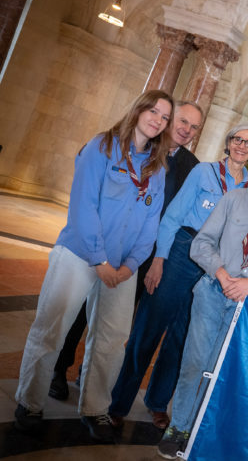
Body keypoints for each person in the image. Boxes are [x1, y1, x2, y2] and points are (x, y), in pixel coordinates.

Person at [14, 90, 172, 441]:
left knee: (112, 340)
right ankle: (30, 402)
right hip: (79, 254)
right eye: (153, 111)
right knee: (51, 328)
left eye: (164, 117)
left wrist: (130, 266)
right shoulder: (102, 146)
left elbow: (151, 224)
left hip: (123, 268)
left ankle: (95, 408)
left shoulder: (157, 168)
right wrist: (100, 260)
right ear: (138, 110)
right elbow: (83, 207)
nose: (158, 120)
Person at [49, 101, 204, 402]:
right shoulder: (137, 147)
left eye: (194, 126)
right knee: (79, 311)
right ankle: (58, 368)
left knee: (114, 322)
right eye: (182, 121)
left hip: (143, 254)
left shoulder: (192, 167)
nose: (187, 130)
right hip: (103, 242)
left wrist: (157, 258)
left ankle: (88, 378)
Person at [109, 123, 248, 430]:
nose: (242, 145)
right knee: (148, 330)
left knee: (183, 338)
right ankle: (119, 402)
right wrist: (159, 259)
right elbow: (173, 216)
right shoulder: (204, 172)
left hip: (213, 265)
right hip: (182, 252)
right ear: (228, 142)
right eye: (238, 139)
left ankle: (157, 402)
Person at [158, 145, 248, 459]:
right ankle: (178, 427)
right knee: (195, 361)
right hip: (212, 291)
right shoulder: (234, 199)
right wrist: (222, 274)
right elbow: (201, 243)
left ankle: (199, 428)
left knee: (219, 368)